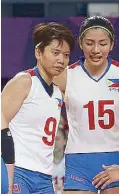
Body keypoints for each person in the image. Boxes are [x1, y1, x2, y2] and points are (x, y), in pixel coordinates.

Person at [54, 16, 119, 194]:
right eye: (89, 43)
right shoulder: (66, 75)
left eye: (103, 43)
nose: (96, 50)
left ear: (112, 44)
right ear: (80, 43)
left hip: (117, 157)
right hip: (78, 158)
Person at [1, 22, 75, 194]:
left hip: (45, 176)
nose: (61, 60)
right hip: (18, 171)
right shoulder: (25, 81)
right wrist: (7, 172)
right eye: (55, 53)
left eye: (66, 55)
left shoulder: (58, 92)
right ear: (38, 52)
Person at [52, 126, 67, 194]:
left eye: (57, 139)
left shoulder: (71, 162)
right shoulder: (43, 162)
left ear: (64, 140)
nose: (54, 142)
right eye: (53, 139)